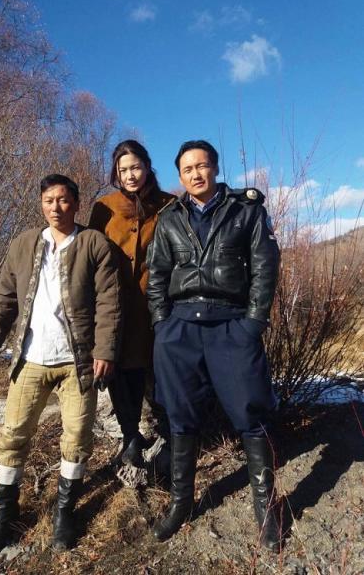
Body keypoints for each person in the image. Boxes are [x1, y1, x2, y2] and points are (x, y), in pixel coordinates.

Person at [147, 140, 281, 551]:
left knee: (250, 412)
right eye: (187, 169)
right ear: (180, 176)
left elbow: (265, 267)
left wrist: (253, 323)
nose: (195, 174)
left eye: (202, 166)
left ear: (215, 168)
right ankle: (181, 503)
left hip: (231, 324)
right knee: (179, 415)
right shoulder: (169, 218)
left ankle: (267, 509)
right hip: (180, 328)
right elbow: (157, 274)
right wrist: (162, 323)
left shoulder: (246, 210)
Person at [0, 174, 121, 556]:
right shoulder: (24, 243)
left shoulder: (93, 243)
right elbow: (5, 294)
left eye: (63, 200)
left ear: (76, 203)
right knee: (13, 434)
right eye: (48, 200)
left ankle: (64, 513)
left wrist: (105, 350)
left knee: (77, 438)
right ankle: (5, 514)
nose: (55, 207)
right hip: (31, 358)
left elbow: (109, 302)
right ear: (41, 204)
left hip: (77, 362)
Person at [89, 140, 174, 466]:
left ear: (147, 167)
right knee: (121, 370)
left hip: (158, 302)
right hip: (115, 303)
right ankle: (130, 436)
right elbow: (90, 254)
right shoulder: (104, 207)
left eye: (135, 167)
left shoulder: (168, 206)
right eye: (123, 170)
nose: (130, 175)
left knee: (161, 369)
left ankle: (170, 437)